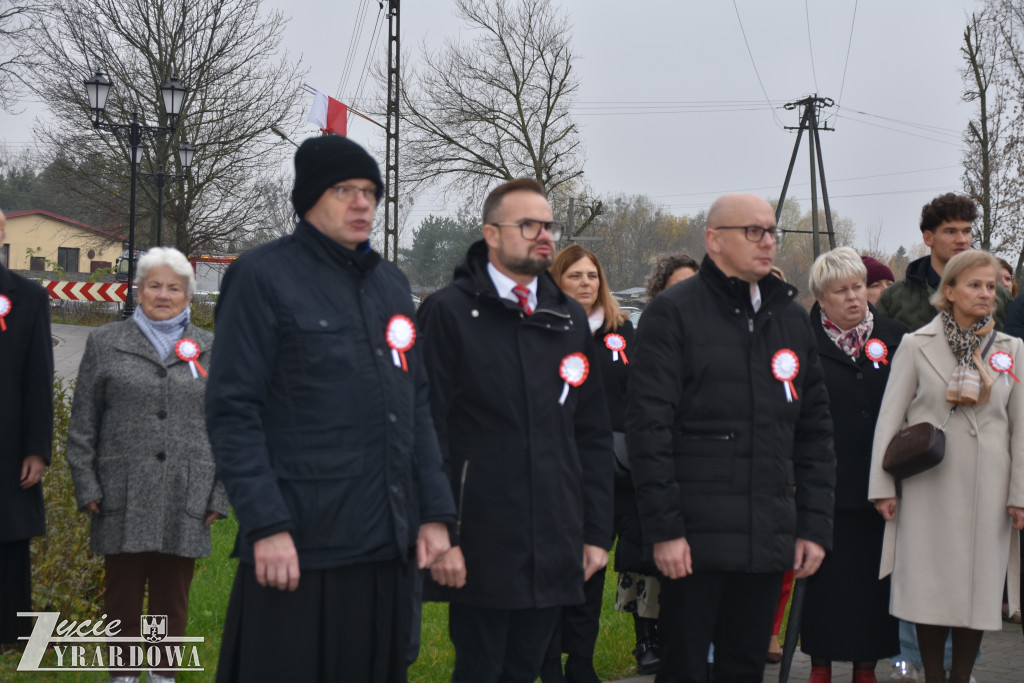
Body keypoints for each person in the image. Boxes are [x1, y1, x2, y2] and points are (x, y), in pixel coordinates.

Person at [205, 135, 456, 682]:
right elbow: (232, 409)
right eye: (346, 189)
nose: (362, 202)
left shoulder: (392, 285)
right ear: (310, 198)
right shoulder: (262, 277)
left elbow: (414, 402)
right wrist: (265, 524)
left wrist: (435, 512)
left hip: (383, 544)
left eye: (370, 191)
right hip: (301, 545)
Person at [627, 193, 836, 683]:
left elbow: (815, 431)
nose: (768, 242)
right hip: (693, 538)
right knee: (684, 666)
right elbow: (649, 430)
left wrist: (812, 527)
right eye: (753, 231)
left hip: (766, 534)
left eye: (772, 231)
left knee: (744, 668)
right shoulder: (673, 313)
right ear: (714, 240)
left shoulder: (788, 318)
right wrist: (665, 530)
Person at [417, 178, 615, 683]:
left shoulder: (568, 318)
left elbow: (590, 435)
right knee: (482, 670)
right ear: (491, 234)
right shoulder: (449, 312)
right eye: (528, 225)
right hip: (480, 535)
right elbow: (427, 428)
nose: (543, 235)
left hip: (553, 535)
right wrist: (441, 529)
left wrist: (594, 533)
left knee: (527, 668)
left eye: (548, 224)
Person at [66, 247, 226, 683]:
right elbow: (83, 423)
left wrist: (219, 493)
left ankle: (161, 675)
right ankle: (123, 675)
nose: (163, 294)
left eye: (174, 287)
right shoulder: (105, 343)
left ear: (189, 295)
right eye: (154, 285)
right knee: (122, 590)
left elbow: (228, 426)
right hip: (121, 488)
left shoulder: (212, 349)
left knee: (173, 594)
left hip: (186, 489)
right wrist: (87, 483)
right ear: (138, 290)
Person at [868, 249, 1024, 683]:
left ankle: (961, 677)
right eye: (974, 285)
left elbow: (1021, 430)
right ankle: (932, 675)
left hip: (988, 491)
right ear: (949, 291)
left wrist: (1020, 495)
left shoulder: (1012, 349)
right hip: (929, 487)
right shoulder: (917, 346)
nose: (985, 294)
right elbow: (890, 418)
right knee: (928, 588)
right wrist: (882, 487)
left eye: (991, 286)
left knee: (977, 592)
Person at [799, 247, 905, 683]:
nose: (853, 297)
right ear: (821, 298)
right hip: (823, 485)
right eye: (840, 290)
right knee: (824, 584)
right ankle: (820, 665)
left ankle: (867, 668)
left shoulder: (897, 337)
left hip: (881, 486)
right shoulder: (800, 342)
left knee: (872, 585)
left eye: (858, 286)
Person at [539, 244, 633, 683]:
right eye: (575, 276)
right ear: (557, 280)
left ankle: (580, 661)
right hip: (554, 473)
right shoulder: (541, 329)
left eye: (592, 276)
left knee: (591, 570)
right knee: (554, 568)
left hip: (605, 475)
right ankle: (545, 661)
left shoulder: (621, 330)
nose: (585, 284)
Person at [0, 208, 53, 653]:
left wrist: (37, 449)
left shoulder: (29, 299)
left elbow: (39, 378)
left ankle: (14, 636)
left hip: (8, 443)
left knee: (8, 538)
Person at [876, 193, 1012, 331]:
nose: (962, 240)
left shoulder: (999, 296)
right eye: (950, 231)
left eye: (966, 231)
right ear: (929, 238)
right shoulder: (894, 298)